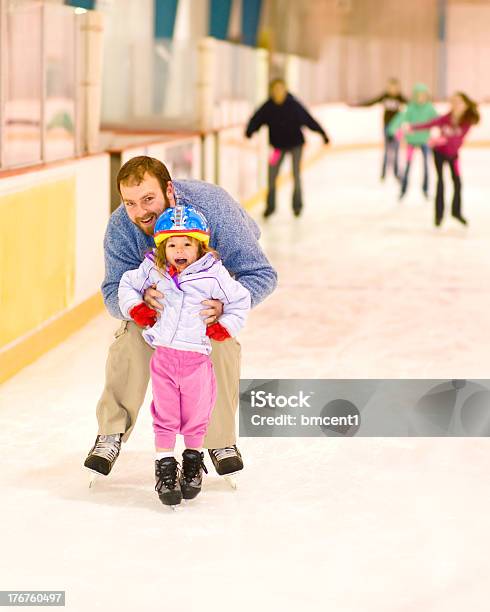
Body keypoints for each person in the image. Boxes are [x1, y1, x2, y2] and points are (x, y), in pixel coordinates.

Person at [84, 156, 277, 480]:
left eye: (148, 199)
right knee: (130, 338)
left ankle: (220, 440)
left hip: (210, 287)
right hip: (155, 304)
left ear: (169, 190)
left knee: (217, 339)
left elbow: (261, 274)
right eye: (130, 202)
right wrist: (137, 304)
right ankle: (111, 433)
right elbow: (112, 292)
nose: (140, 211)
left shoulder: (213, 207)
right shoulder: (122, 227)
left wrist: (224, 307)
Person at [118, 204, 251, 506]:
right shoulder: (153, 268)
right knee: (163, 417)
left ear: (199, 246)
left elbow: (241, 299)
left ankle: (192, 463)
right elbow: (127, 284)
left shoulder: (213, 275)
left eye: (187, 244)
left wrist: (225, 325)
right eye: (172, 244)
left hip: (196, 362)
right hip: (163, 359)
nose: (179, 250)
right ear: (163, 247)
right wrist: (136, 306)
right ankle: (164, 468)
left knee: (195, 418)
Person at [245, 77, 329, 218]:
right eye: (275, 90)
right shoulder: (268, 107)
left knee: (296, 174)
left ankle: (297, 206)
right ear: (271, 91)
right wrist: (250, 131)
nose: (278, 92)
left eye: (280, 89)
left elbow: (309, 120)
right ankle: (270, 207)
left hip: (296, 146)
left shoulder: (294, 105)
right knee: (272, 175)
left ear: (285, 90)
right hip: (278, 148)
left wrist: (323, 134)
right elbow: (256, 119)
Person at [404, 91, 480, 226]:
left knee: (457, 183)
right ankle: (439, 215)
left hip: (453, 155)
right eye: (453, 101)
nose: (455, 104)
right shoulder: (446, 118)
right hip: (439, 154)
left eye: (458, 101)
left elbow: (458, 140)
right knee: (440, 183)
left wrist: (443, 139)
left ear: (465, 104)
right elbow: (429, 124)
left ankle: (456, 212)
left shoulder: (467, 121)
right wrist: (412, 127)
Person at [389, 83, 437, 199]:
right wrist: (393, 129)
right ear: (415, 96)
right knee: (408, 166)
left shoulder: (430, 108)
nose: (421, 98)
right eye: (419, 95)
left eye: (423, 95)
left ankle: (425, 189)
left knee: (426, 166)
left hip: (424, 141)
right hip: (411, 141)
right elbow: (400, 118)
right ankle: (403, 190)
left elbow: (438, 119)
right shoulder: (410, 108)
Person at [357, 77, 407, 180]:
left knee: (396, 150)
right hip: (386, 126)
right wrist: (357, 105)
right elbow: (371, 102)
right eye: (391, 87)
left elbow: (412, 105)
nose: (393, 89)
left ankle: (396, 172)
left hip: (397, 127)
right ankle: (383, 173)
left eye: (395, 87)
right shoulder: (385, 96)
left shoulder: (399, 97)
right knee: (386, 150)